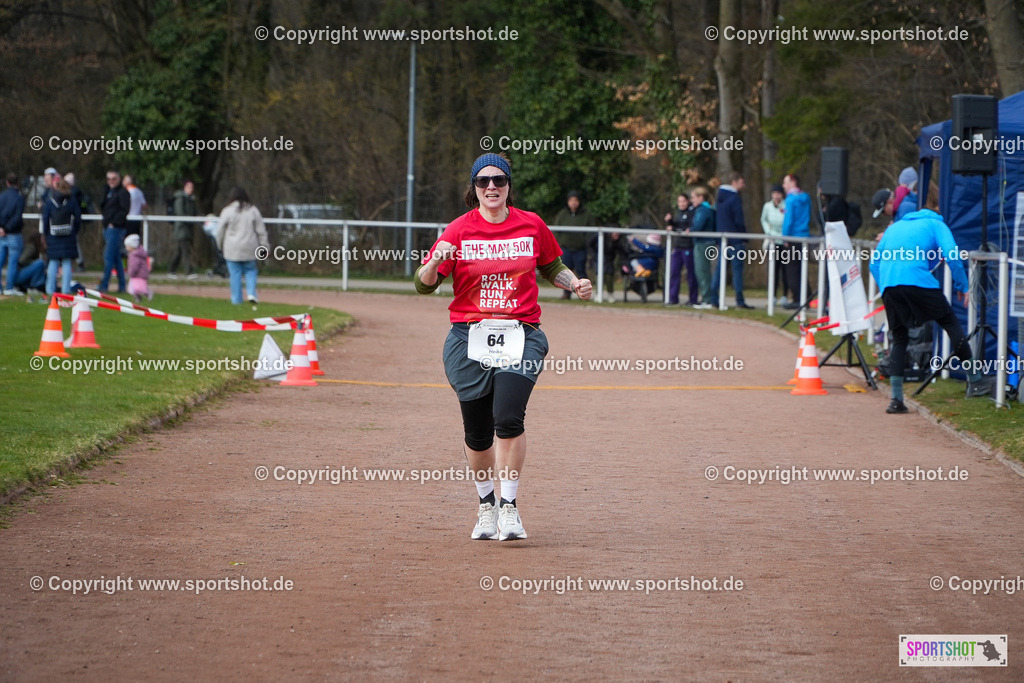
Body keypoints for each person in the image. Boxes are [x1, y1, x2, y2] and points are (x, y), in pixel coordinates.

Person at [414, 153, 592, 541]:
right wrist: (433, 265)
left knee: (508, 418)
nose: (491, 187)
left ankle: (509, 508)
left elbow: (551, 266)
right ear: (473, 188)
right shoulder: (458, 231)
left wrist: (573, 282)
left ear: (509, 185)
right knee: (477, 434)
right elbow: (424, 283)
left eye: (498, 180)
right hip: (468, 338)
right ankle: (486, 506)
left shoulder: (531, 224)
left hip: (521, 334)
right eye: (483, 181)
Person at [869, 199, 992, 413]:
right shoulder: (937, 225)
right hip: (918, 280)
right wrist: (963, 286)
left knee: (899, 338)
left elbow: (873, 263)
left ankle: (896, 400)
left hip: (890, 285)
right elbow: (952, 255)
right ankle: (976, 379)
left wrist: (888, 287)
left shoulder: (895, 227)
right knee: (950, 323)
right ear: (936, 213)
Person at [217, 187, 269, 305]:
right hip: (250, 247)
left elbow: (220, 231)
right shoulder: (253, 210)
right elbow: (261, 231)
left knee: (235, 274)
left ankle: (236, 300)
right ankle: (251, 293)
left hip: (232, 248)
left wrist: (219, 246)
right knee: (251, 271)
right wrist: (265, 246)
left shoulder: (227, 211)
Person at [710, 172, 752, 309]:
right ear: (734, 182)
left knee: (720, 269)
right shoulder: (734, 198)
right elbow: (738, 219)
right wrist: (743, 235)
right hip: (735, 239)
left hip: (723, 238)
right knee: (737, 270)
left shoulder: (720, 197)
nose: (743, 185)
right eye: (741, 182)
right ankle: (739, 299)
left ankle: (714, 297)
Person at [552, 190, 594, 299]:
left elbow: (591, 231)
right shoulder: (562, 214)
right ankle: (566, 294)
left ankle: (584, 294)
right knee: (566, 271)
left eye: (575, 200)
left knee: (581, 271)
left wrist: (585, 242)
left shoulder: (586, 215)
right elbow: (557, 230)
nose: (573, 203)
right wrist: (560, 242)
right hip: (566, 249)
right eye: (571, 200)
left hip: (580, 249)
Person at [42, 179, 81, 296]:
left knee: (53, 262)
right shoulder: (72, 201)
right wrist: (74, 231)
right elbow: (78, 218)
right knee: (67, 263)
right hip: (68, 235)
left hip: (53, 236)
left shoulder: (50, 202)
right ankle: (66, 290)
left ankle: (50, 289)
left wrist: (45, 234)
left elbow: (45, 220)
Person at [780, 173, 810, 309]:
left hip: (792, 238)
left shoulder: (790, 200)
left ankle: (798, 298)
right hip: (804, 236)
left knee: (791, 270)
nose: (783, 186)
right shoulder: (806, 197)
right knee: (802, 268)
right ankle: (807, 296)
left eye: (785, 183)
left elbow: (788, 220)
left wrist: (785, 237)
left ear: (792, 182)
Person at [99, 170, 131, 293]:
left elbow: (124, 211)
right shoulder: (108, 192)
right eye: (109, 179)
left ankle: (104, 285)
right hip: (108, 228)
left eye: (114, 179)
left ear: (119, 179)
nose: (111, 181)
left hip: (116, 229)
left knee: (108, 257)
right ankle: (122, 286)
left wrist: (114, 223)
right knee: (116, 258)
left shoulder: (123, 193)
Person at [664, 193, 698, 305]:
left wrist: (678, 228)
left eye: (683, 201)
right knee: (674, 272)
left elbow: (687, 227)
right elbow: (677, 226)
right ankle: (673, 298)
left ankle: (693, 299)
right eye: (679, 201)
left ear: (687, 201)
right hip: (677, 246)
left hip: (688, 246)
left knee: (691, 274)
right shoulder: (678, 213)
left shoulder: (692, 212)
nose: (681, 204)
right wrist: (670, 223)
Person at [761, 184, 788, 305]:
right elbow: (764, 220)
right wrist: (769, 232)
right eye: (774, 193)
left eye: (778, 193)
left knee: (786, 270)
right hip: (773, 241)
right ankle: (772, 295)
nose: (776, 196)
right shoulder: (767, 206)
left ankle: (785, 295)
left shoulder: (787, 205)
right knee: (773, 269)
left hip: (785, 240)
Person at [0, 172, 26, 295]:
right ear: (17, 183)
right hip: (13, 234)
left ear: (7, 182)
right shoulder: (19, 198)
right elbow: (17, 217)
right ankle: (9, 288)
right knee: (12, 262)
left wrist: (1, 228)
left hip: (1, 234)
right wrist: (6, 228)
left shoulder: (2, 197)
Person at [690, 187, 716, 309]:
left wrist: (690, 230)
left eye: (693, 197)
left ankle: (707, 299)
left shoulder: (704, 210)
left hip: (703, 243)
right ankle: (706, 298)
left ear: (701, 198)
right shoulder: (702, 209)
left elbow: (698, 226)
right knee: (701, 271)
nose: (691, 200)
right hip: (702, 243)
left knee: (702, 271)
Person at [587, 228, 628, 302]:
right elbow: (590, 244)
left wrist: (624, 263)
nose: (617, 235)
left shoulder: (618, 242)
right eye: (615, 234)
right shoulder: (600, 236)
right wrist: (592, 255)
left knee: (609, 275)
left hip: (609, 260)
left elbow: (622, 252)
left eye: (618, 234)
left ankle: (610, 294)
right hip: (598, 258)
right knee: (599, 276)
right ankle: (598, 294)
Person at [168, 180, 199, 279]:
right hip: (181, 228)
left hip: (188, 228)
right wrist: (190, 220)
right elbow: (180, 213)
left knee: (179, 251)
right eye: (189, 187)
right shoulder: (180, 199)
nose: (191, 189)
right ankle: (189, 272)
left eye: (192, 187)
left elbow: (195, 213)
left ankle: (171, 270)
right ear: (184, 188)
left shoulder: (191, 200)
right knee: (185, 250)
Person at [64, 172, 93, 270]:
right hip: (71, 220)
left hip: (72, 220)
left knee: (73, 241)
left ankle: (79, 263)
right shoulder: (73, 191)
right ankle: (75, 263)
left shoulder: (73, 192)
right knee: (73, 241)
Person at [14, 231, 47, 301]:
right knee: (40, 263)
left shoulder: (35, 248)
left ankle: (35, 286)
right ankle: (35, 287)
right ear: (38, 239)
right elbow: (21, 260)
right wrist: (34, 263)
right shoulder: (31, 247)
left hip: (20, 275)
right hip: (19, 275)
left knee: (40, 265)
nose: (44, 241)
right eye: (42, 239)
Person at [125, 234, 153, 302]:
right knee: (133, 288)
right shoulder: (134, 254)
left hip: (138, 274)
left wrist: (131, 272)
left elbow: (135, 266)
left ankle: (148, 293)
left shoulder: (135, 255)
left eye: (127, 246)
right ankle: (138, 297)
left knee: (140, 288)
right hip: (136, 274)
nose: (126, 248)